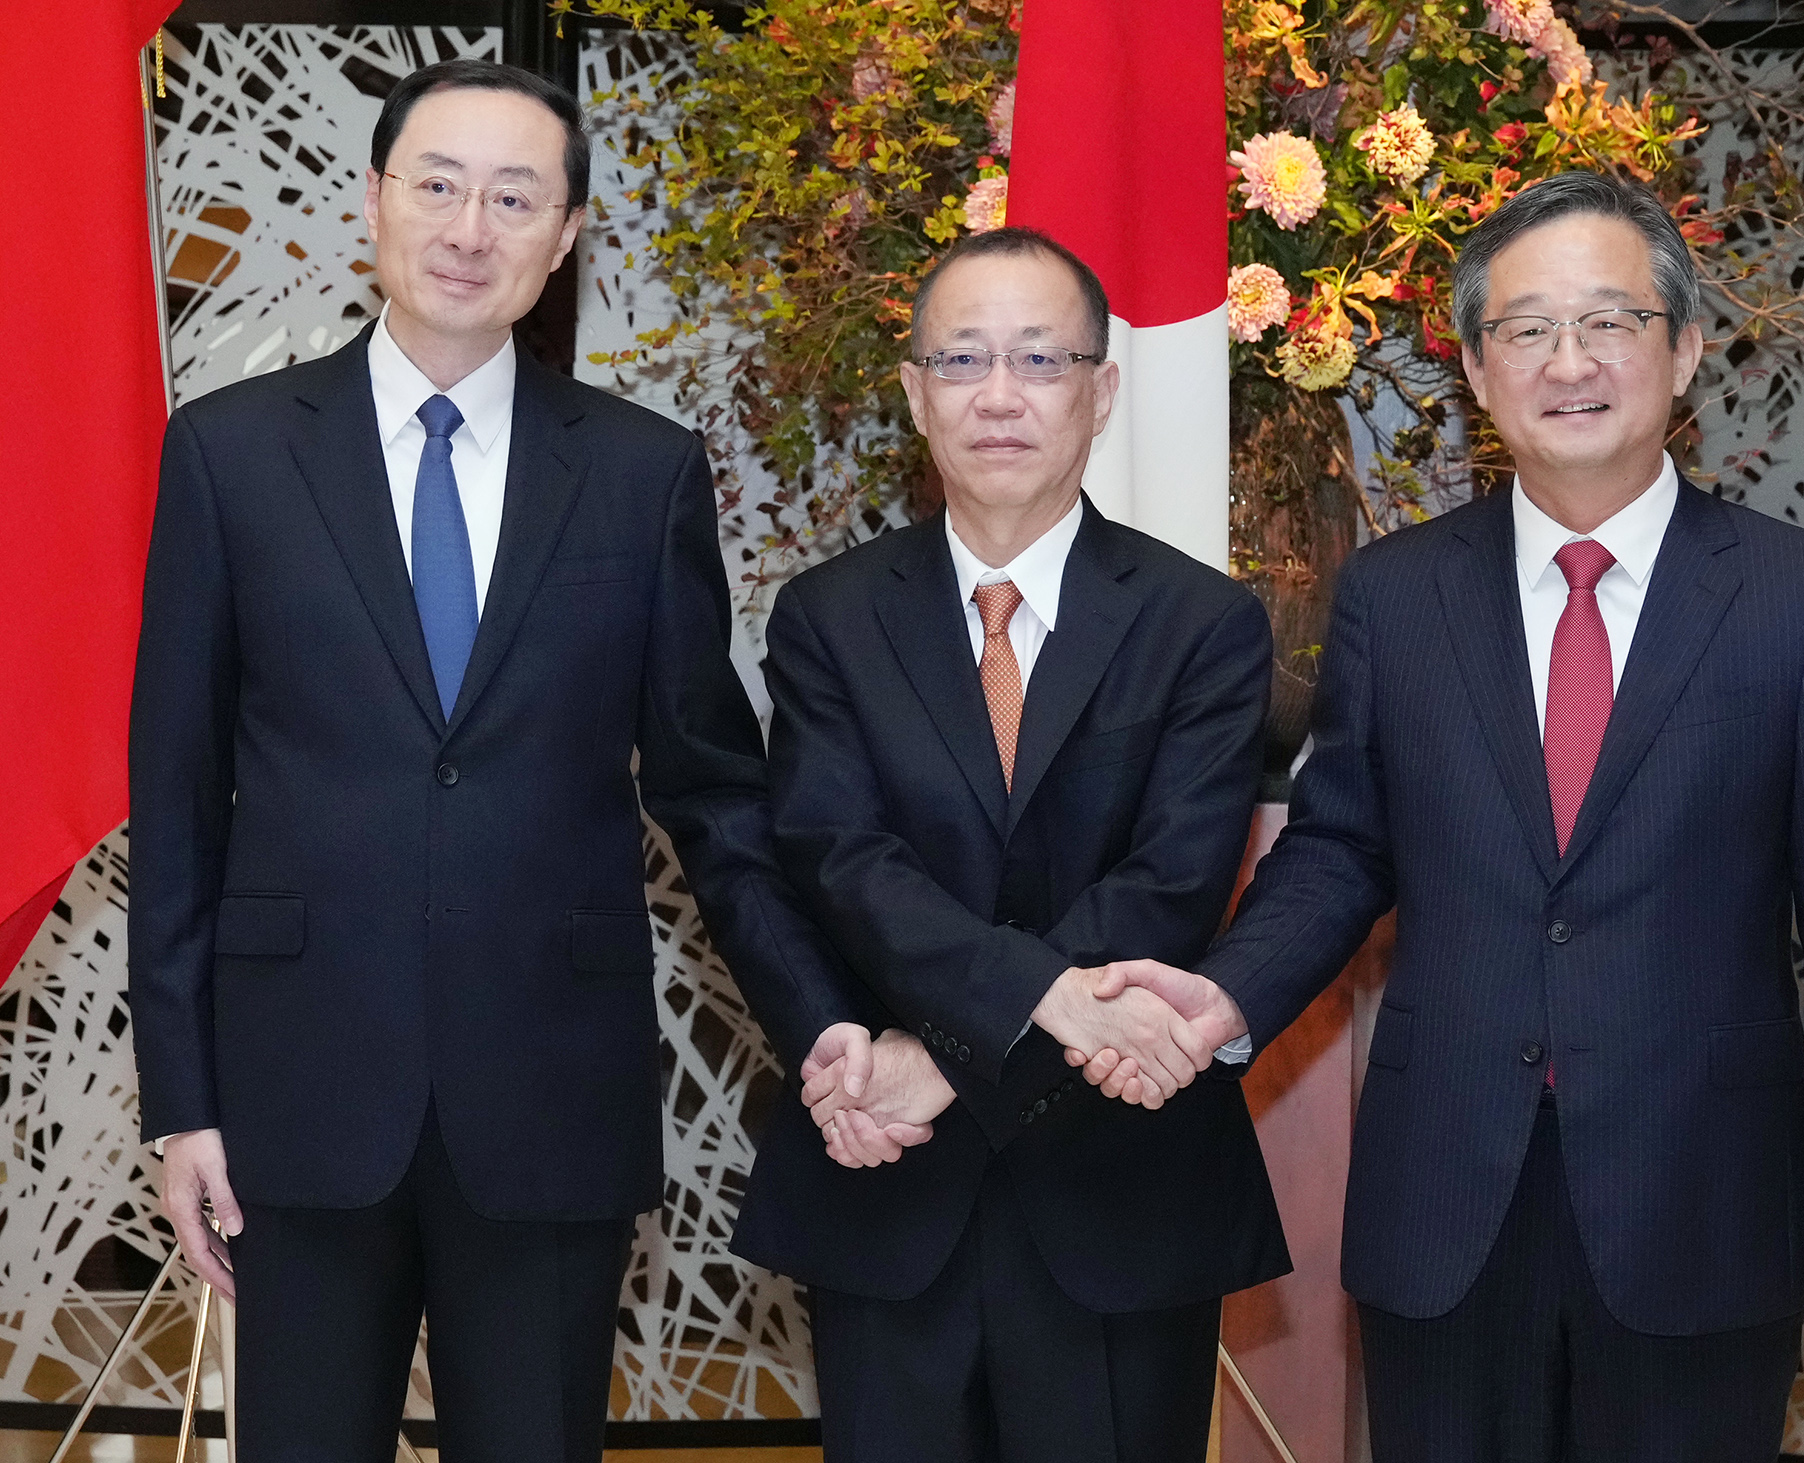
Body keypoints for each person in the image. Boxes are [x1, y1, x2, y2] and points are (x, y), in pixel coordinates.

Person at [1075, 171, 1804, 1460]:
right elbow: (1341, 847)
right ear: (1476, 369)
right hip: (1448, 1195)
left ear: (1684, 347)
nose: (1567, 361)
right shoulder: (1396, 594)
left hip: (1701, 1199)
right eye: (1525, 329)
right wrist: (1226, 995)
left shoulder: (1801, 602)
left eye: (1609, 322)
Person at [128, 58, 867, 1463]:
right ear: (374, 202)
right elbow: (175, 798)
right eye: (441, 185)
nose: (472, 227)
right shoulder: (228, 456)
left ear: (567, 233)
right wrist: (185, 1101)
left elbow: (711, 791)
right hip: (296, 1093)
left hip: (549, 1092)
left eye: (516, 197)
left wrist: (822, 1017)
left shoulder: (645, 471)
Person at [728, 226, 1289, 1462]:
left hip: (1115, 1180)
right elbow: (837, 856)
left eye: (1040, 359)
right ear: (915, 390)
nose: (998, 393)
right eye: (963, 357)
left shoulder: (1202, 621)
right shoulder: (827, 617)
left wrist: (943, 1054)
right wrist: (1021, 1005)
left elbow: (1173, 881)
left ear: (1101, 392)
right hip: (889, 1182)